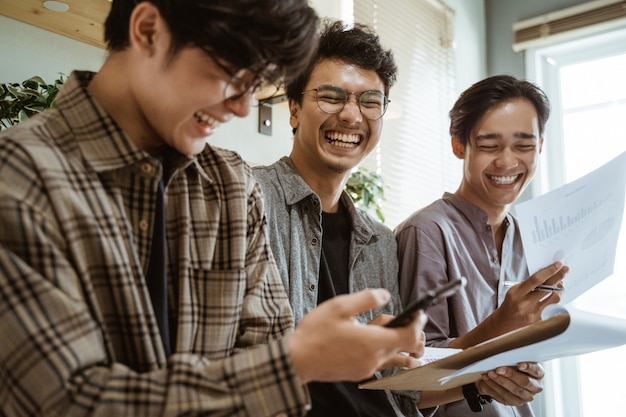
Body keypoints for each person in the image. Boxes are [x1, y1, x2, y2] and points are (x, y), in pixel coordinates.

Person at [0, 2, 425, 416]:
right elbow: (69, 401)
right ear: (148, 30)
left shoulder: (228, 183)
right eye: (231, 73)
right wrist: (293, 364)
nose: (242, 107)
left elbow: (268, 362)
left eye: (255, 82)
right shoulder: (19, 177)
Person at [253, 22, 546, 417]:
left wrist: (484, 375)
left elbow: (402, 388)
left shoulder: (378, 240)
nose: (351, 115)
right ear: (293, 108)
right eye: (330, 96)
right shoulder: (249, 198)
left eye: (370, 101)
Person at [395, 75, 570, 417]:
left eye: (523, 145)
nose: (507, 162)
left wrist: (528, 376)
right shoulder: (426, 232)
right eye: (490, 145)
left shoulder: (530, 237)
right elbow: (408, 380)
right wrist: (501, 325)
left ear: (540, 146)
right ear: (460, 146)